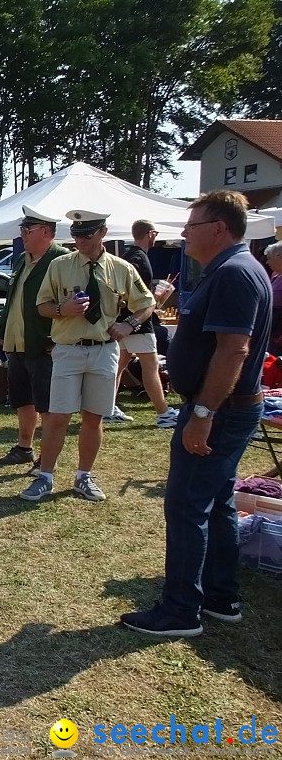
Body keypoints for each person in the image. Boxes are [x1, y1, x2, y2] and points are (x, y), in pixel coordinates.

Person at [121, 191, 271, 638]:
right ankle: (220, 596)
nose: (184, 234)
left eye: (193, 225)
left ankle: (181, 611)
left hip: (219, 411)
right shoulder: (234, 269)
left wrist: (203, 412)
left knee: (186, 506)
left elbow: (234, 350)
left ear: (219, 229)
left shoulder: (234, 273)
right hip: (225, 409)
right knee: (219, 499)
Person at [20, 209, 155, 504]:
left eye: (86, 234)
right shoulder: (59, 265)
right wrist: (62, 310)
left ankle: (84, 476)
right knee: (57, 418)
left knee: (94, 418)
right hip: (68, 350)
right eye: (76, 234)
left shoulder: (121, 268)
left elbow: (147, 303)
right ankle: (45, 477)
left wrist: (128, 324)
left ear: (102, 233)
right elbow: (41, 306)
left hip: (104, 350)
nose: (79, 240)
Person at [0, 207, 67, 473]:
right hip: (16, 344)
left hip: (43, 345)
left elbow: (72, 304)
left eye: (27, 230)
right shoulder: (24, 258)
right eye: (22, 229)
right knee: (23, 400)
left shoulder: (62, 260)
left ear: (46, 232)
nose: (22, 234)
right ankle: (24, 448)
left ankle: (47, 460)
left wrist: (59, 338)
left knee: (47, 405)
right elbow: (12, 300)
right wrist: (1, 334)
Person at [112, 219, 178, 428]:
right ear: (150, 234)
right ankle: (163, 413)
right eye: (156, 233)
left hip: (125, 321)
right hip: (137, 321)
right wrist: (152, 301)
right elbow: (134, 292)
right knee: (151, 366)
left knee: (119, 365)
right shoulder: (139, 258)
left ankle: (107, 407)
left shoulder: (128, 257)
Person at [262, 241, 282, 355]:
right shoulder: (276, 275)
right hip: (272, 327)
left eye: (269, 258)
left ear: (279, 257)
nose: (267, 262)